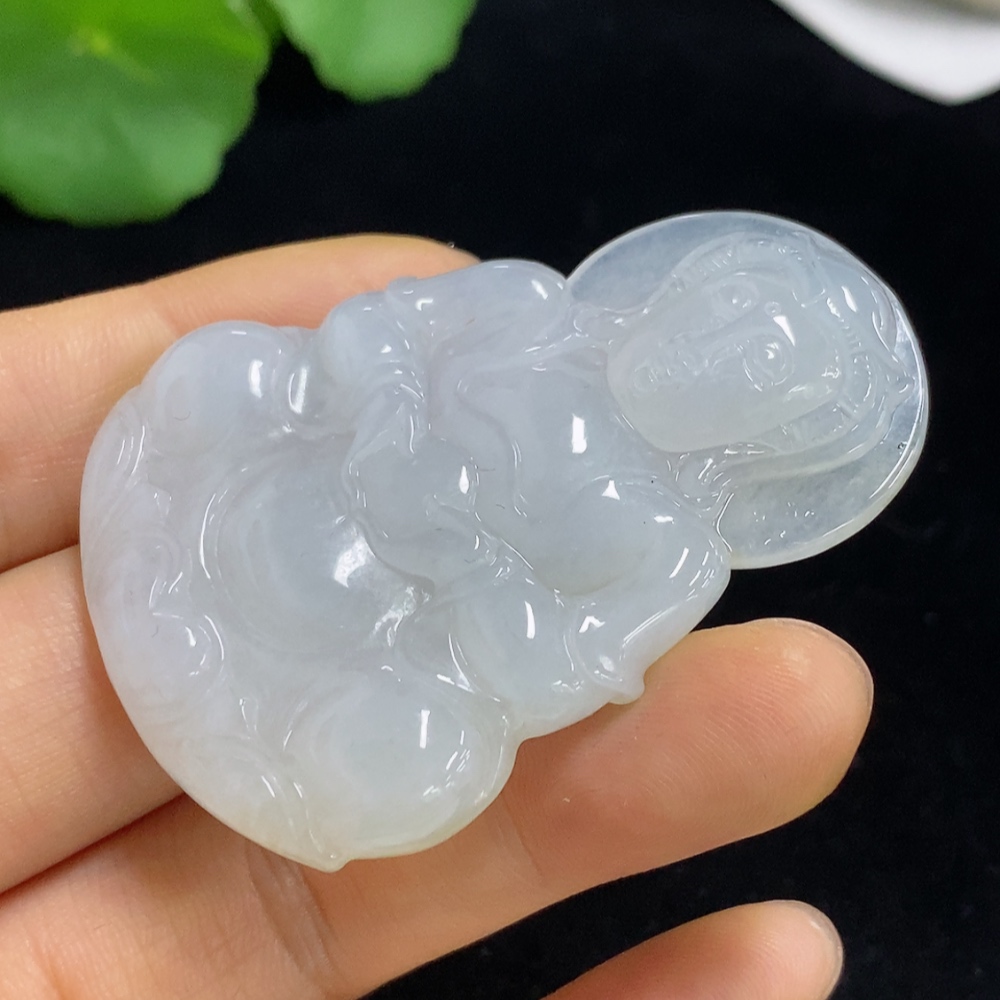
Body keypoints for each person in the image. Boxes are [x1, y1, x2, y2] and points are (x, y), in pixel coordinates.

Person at [0, 235, 871, 999]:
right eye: (722, 313)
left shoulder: (668, 551)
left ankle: (251, 730)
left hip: (354, 665)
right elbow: (366, 330)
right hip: (244, 484)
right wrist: (391, 424)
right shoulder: (530, 305)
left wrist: (460, 558)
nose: (705, 356)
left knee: (426, 772)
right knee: (221, 366)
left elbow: (542, 678)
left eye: (758, 368)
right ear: (682, 288)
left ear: (767, 438)